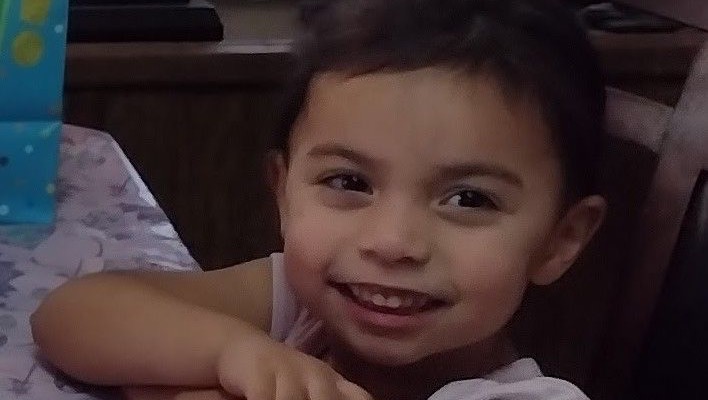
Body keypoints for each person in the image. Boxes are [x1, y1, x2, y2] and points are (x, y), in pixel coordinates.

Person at [31, 0, 608, 399]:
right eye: (350, 183)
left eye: (469, 199)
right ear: (283, 191)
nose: (393, 243)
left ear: (560, 241)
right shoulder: (302, 304)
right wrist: (231, 352)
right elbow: (72, 315)